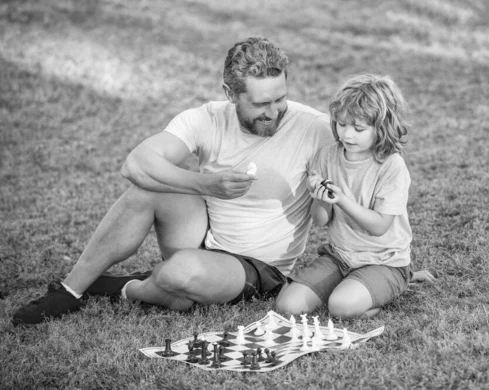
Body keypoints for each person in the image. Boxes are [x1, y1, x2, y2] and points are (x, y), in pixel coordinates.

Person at [12, 37, 335, 326]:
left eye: (280, 99)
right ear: (230, 94)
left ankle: (129, 287)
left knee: (180, 275)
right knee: (146, 190)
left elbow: (371, 161)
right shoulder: (206, 119)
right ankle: (71, 290)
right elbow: (136, 164)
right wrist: (207, 185)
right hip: (203, 236)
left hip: (261, 267)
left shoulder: (314, 128)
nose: (274, 112)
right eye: (261, 104)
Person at [276, 74, 435, 319]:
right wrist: (320, 198)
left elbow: (380, 226)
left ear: (381, 127)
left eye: (358, 128)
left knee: (341, 307)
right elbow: (320, 220)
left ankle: (399, 279)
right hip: (340, 257)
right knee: (288, 306)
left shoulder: (391, 166)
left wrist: (342, 200)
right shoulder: (327, 156)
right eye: (341, 124)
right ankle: (355, 286)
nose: (347, 135)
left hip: (383, 262)